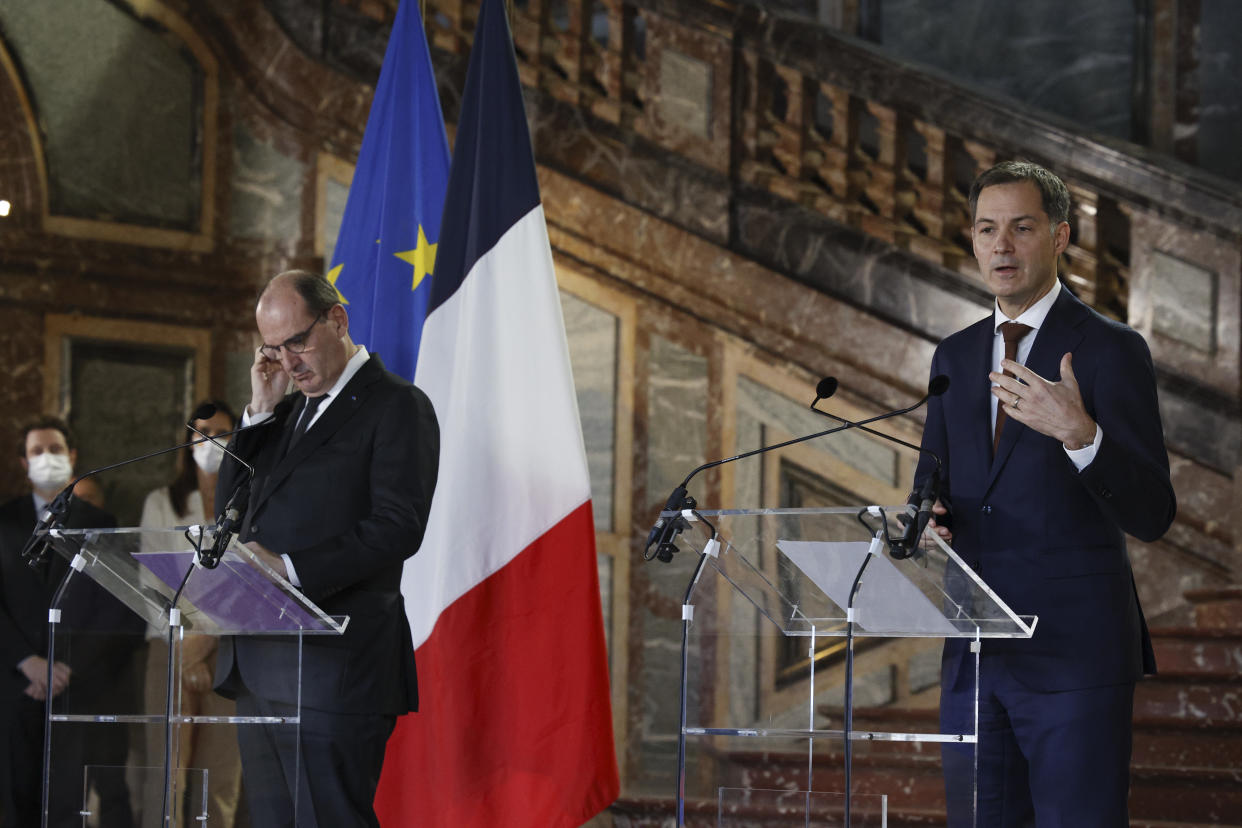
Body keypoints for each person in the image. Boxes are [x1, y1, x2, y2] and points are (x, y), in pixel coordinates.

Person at [915, 160, 1177, 827]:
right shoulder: (953, 357)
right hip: (974, 658)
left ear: (1060, 236)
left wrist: (1081, 434)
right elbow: (932, 487)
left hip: (1074, 657)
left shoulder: (1110, 351)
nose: (1001, 246)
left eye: (1021, 227)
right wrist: (926, 518)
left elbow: (1152, 512)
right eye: (986, 229)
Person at [213, 269, 439, 827]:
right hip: (261, 662)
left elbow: (398, 527)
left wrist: (288, 569)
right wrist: (259, 414)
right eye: (272, 348)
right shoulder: (286, 412)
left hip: (335, 669)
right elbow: (229, 515)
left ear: (337, 319)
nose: (288, 362)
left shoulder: (396, 406)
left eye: (296, 342)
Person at [0, 417, 139, 828]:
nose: (47, 459)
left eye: (55, 449)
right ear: (23, 463)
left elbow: (119, 608)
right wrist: (27, 661)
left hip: (79, 687)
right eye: (37, 451)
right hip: (15, 685)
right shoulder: (2, 521)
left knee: (66, 807)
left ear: (73, 456)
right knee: (16, 801)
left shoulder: (102, 524)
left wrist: (66, 667)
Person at [137, 401, 243, 828]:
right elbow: (149, 581)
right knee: (167, 778)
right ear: (188, 442)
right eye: (202, 433)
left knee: (220, 779)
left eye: (221, 433)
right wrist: (185, 644)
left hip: (228, 652)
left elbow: (249, 583)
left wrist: (207, 640)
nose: (211, 442)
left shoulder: (248, 504)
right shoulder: (162, 502)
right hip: (170, 649)